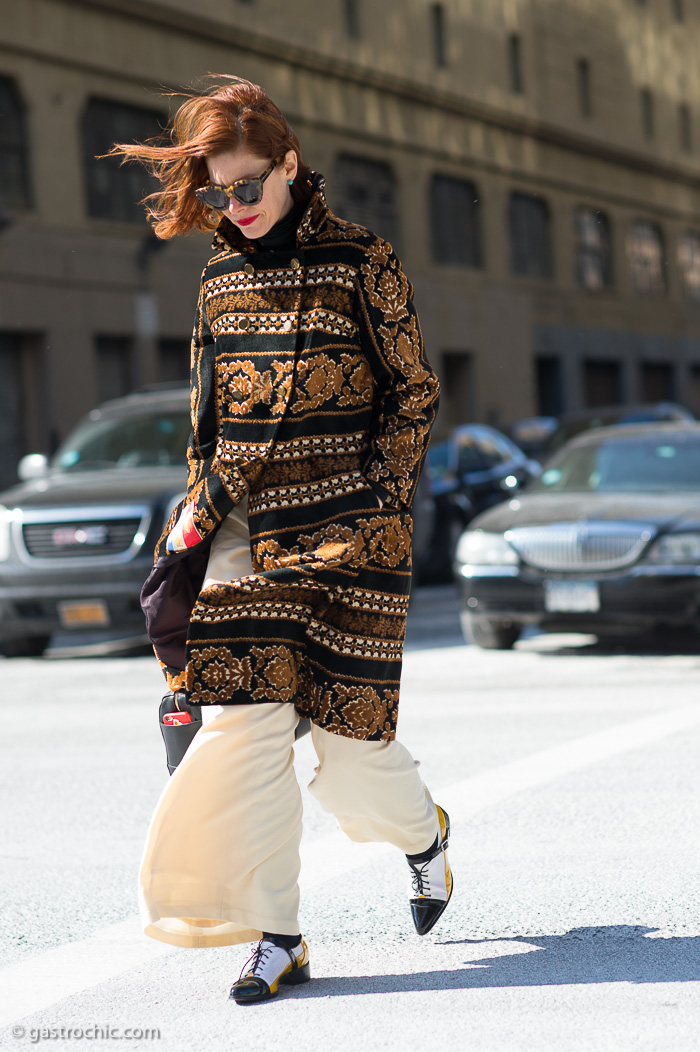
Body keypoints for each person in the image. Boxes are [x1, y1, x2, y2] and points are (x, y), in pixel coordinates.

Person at [112, 76, 451, 1006]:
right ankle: (280, 936)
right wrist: (194, 508)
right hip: (244, 535)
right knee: (246, 729)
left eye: (250, 185)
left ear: (291, 165)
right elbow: (207, 418)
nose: (237, 206)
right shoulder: (218, 279)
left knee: (351, 751)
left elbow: (412, 391)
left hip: (351, 535)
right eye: (220, 192)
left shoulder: (363, 261)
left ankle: (424, 839)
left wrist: (382, 498)